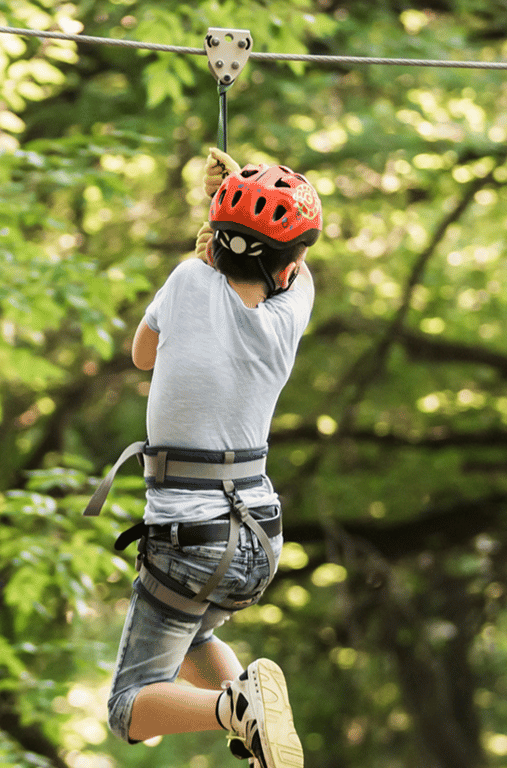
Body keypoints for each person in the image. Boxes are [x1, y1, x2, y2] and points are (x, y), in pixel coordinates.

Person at [96, 147, 321, 768]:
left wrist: (213, 240)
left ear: (216, 244)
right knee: (196, 631)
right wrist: (235, 214)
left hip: (189, 539)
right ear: (289, 265)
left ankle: (235, 709)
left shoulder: (188, 281)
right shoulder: (290, 313)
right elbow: (288, 266)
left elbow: (143, 355)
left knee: (127, 708)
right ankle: (256, 726)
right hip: (259, 539)